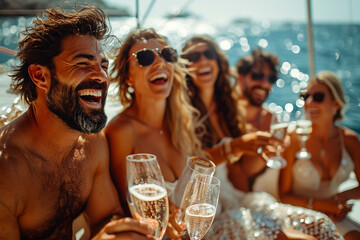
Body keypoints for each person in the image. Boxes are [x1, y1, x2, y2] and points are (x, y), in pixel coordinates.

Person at [0, 6, 157, 240]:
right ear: (40, 76)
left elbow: (108, 217)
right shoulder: (7, 172)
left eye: (103, 65)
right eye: (83, 64)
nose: (102, 77)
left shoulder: (92, 144)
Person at [181, 35, 343, 240]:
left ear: (219, 62)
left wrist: (262, 153)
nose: (203, 60)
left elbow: (239, 174)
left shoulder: (226, 112)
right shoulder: (181, 114)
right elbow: (187, 169)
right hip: (207, 207)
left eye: (208, 54)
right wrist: (236, 147)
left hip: (236, 199)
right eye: (194, 56)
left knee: (322, 225)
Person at [104, 28, 206, 239]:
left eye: (167, 54)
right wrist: (155, 213)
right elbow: (124, 209)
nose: (160, 63)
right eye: (145, 58)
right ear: (127, 77)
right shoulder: (121, 132)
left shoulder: (181, 121)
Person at [280, 71, 360, 239]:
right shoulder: (294, 139)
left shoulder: (350, 141)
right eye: (305, 96)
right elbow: (283, 195)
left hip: (335, 214)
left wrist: (340, 198)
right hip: (299, 213)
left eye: (318, 97)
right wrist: (324, 205)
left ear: (336, 103)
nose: (309, 102)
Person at [227, 47, 282, 197]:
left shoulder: (271, 120)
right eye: (257, 76)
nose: (264, 84)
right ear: (240, 77)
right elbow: (239, 172)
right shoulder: (224, 114)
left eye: (271, 79)